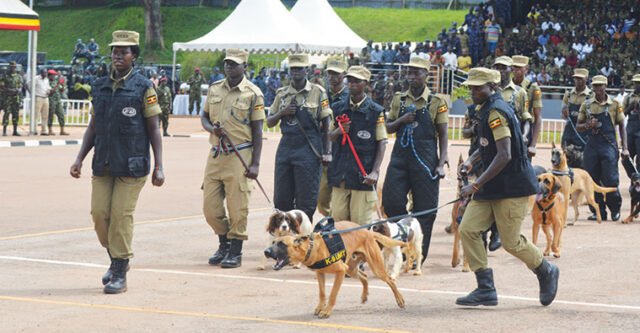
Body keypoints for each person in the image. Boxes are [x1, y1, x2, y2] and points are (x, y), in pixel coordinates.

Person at [69, 30, 165, 294]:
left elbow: (154, 129)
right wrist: (79, 158)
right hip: (104, 162)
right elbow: (94, 126)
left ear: (134, 55)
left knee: (121, 215)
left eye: (123, 51)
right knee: (100, 215)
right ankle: (115, 259)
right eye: (114, 51)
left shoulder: (144, 87)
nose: (117, 56)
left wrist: (159, 165)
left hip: (132, 166)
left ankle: (120, 270)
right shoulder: (100, 86)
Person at [456, 67, 559, 307]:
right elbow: (486, 147)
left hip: (511, 186)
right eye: (471, 86)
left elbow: (504, 155)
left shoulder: (496, 113)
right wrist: (471, 162)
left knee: (511, 242)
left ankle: (546, 270)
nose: (473, 91)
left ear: (492, 88)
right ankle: (485, 289)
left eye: (478, 87)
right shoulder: (485, 110)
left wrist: (475, 185)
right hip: (491, 186)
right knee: (469, 229)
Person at [381, 57, 448, 266]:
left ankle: (419, 256)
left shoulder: (437, 102)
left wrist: (441, 162)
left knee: (426, 209)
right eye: (409, 72)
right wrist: (401, 121)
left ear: (426, 74)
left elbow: (443, 135)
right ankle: (403, 241)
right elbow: (388, 127)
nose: (411, 76)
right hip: (400, 158)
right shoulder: (399, 99)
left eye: (416, 72)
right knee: (391, 203)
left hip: (426, 160)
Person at [201, 49, 264, 269]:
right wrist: (212, 130)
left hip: (241, 154)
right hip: (216, 154)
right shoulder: (214, 88)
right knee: (210, 208)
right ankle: (224, 242)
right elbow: (205, 117)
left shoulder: (253, 93)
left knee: (238, 206)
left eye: (235, 64)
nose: (229, 67)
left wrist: (255, 164)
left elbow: (258, 131)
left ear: (245, 67)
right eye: (227, 63)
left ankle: (235, 251)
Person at [266, 54, 332, 221]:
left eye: (299, 69)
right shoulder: (282, 94)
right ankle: (285, 238)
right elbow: (270, 121)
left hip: (308, 148)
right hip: (286, 147)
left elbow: (326, 123)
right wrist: (283, 112)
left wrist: (327, 152)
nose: (296, 72)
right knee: (281, 199)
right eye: (293, 68)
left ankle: (303, 238)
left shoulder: (318, 92)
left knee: (306, 200)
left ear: (306, 71)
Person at [327, 66, 386, 225]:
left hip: (363, 176)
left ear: (366, 83)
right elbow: (330, 137)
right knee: (338, 222)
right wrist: (338, 131)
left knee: (359, 226)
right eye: (350, 80)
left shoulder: (375, 111)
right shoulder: (338, 107)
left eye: (357, 81)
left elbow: (382, 142)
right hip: (340, 174)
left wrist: (375, 171)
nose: (352, 84)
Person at [577, 75, 627, 222]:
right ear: (592, 87)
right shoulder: (586, 105)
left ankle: (615, 209)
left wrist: (625, 148)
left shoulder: (615, 104)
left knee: (610, 179)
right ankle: (598, 211)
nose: (598, 89)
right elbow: (578, 126)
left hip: (609, 146)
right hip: (592, 146)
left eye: (601, 86)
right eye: (595, 86)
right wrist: (588, 125)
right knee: (592, 180)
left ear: (606, 86)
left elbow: (622, 126)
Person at [317, 57, 349, 217]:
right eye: (329, 73)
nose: (332, 77)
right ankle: (331, 220)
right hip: (322, 150)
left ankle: (338, 223)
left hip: (342, 152)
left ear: (344, 75)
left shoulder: (351, 96)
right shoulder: (320, 95)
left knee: (340, 198)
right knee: (321, 199)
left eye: (336, 74)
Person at [512, 55, 542, 159]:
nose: (517, 70)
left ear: (526, 69)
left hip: (525, 129)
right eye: (515, 67)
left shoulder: (532, 88)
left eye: (520, 67)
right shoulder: (506, 86)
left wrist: (533, 145)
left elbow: (538, 117)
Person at [561, 68, 592, 167]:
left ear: (586, 79)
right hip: (569, 130)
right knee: (567, 158)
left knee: (582, 162)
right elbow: (563, 114)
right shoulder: (568, 94)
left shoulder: (591, 95)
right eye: (576, 79)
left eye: (580, 79)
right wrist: (564, 114)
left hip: (583, 131)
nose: (577, 81)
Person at [1, 61, 23, 136]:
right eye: (11, 67)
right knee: (6, 114)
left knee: (15, 114)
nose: (12, 68)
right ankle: (4, 131)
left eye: (14, 67)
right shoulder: (5, 76)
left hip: (15, 98)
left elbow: (20, 86)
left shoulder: (18, 76)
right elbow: (2, 86)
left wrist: (18, 90)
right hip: (7, 97)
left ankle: (15, 130)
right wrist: (10, 90)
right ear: (9, 67)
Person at [29, 68, 51, 135]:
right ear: (41, 73)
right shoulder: (36, 79)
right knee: (36, 115)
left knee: (45, 115)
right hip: (38, 97)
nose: (45, 74)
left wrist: (49, 91)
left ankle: (44, 130)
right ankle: (34, 130)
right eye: (44, 73)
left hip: (45, 98)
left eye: (46, 73)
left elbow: (48, 87)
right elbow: (28, 85)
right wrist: (31, 93)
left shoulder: (46, 80)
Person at [47, 69, 70, 136]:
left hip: (58, 100)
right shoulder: (47, 82)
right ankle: (50, 130)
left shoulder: (56, 81)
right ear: (49, 76)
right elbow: (51, 92)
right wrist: (58, 84)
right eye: (53, 75)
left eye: (55, 75)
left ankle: (62, 130)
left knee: (61, 114)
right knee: (50, 115)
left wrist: (62, 85)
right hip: (51, 100)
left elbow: (61, 90)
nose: (54, 76)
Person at [625, 75, 640, 166]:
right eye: (636, 83)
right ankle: (633, 177)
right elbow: (621, 114)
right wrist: (630, 107)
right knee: (628, 156)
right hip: (630, 129)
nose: (638, 85)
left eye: (639, 83)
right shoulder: (628, 97)